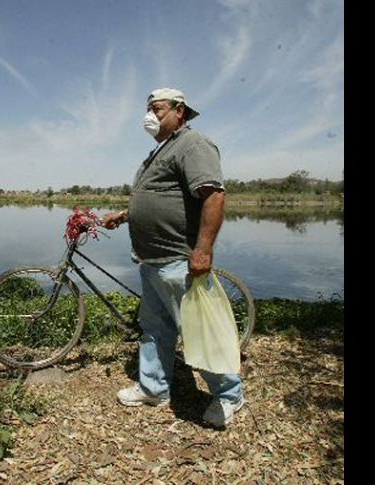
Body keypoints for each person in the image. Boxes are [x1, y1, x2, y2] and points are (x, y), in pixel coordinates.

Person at [101, 87, 244, 427]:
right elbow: (161, 197)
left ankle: (228, 395)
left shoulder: (193, 145)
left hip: (179, 259)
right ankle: (154, 388)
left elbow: (213, 196)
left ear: (179, 111)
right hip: (151, 261)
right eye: (148, 108)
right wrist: (126, 214)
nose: (150, 115)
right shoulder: (161, 151)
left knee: (198, 330)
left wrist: (203, 250)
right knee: (154, 328)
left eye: (157, 108)